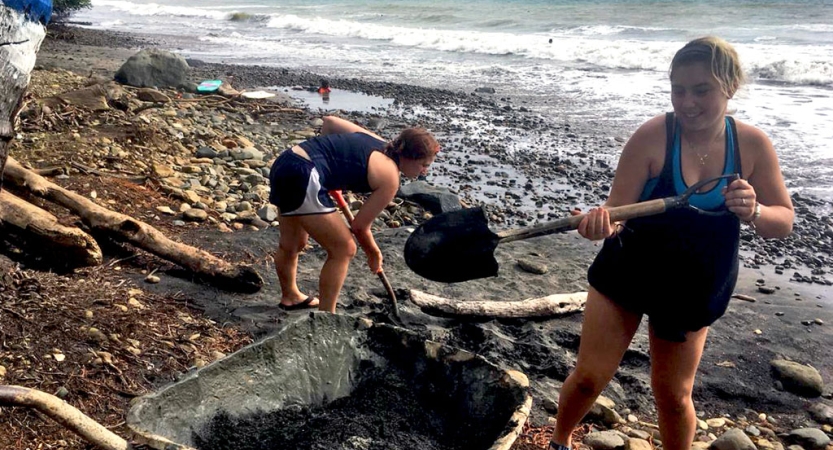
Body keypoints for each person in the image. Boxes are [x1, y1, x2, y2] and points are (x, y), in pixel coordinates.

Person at [548, 36, 794, 450]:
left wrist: (753, 210)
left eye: (702, 90)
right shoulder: (653, 136)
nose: (688, 102)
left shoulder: (751, 145)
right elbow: (617, 212)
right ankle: (558, 440)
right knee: (590, 377)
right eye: (678, 90)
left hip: (694, 287)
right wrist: (601, 225)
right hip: (627, 273)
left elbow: (782, 222)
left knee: (674, 397)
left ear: (729, 88)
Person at [269, 115, 439, 312]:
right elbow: (359, 227)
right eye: (424, 165)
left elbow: (330, 122)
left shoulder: (375, 140)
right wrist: (374, 253)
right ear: (409, 157)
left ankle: (290, 296)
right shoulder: (390, 177)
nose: (424, 172)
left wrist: (329, 168)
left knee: (293, 243)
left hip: (287, 162)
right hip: (305, 175)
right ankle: (327, 316)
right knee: (344, 249)